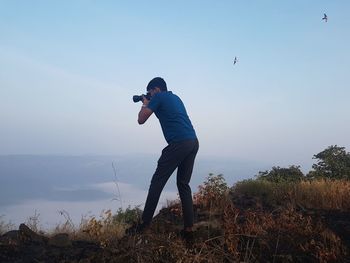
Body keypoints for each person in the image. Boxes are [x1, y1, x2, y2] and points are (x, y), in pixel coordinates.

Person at [127, 77, 199, 238]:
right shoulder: (175, 97)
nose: (149, 95)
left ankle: (144, 225)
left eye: (150, 92)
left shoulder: (158, 97)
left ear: (156, 90)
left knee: (157, 181)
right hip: (193, 142)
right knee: (183, 184)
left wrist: (145, 103)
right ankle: (189, 230)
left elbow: (141, 120)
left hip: (179, 143)